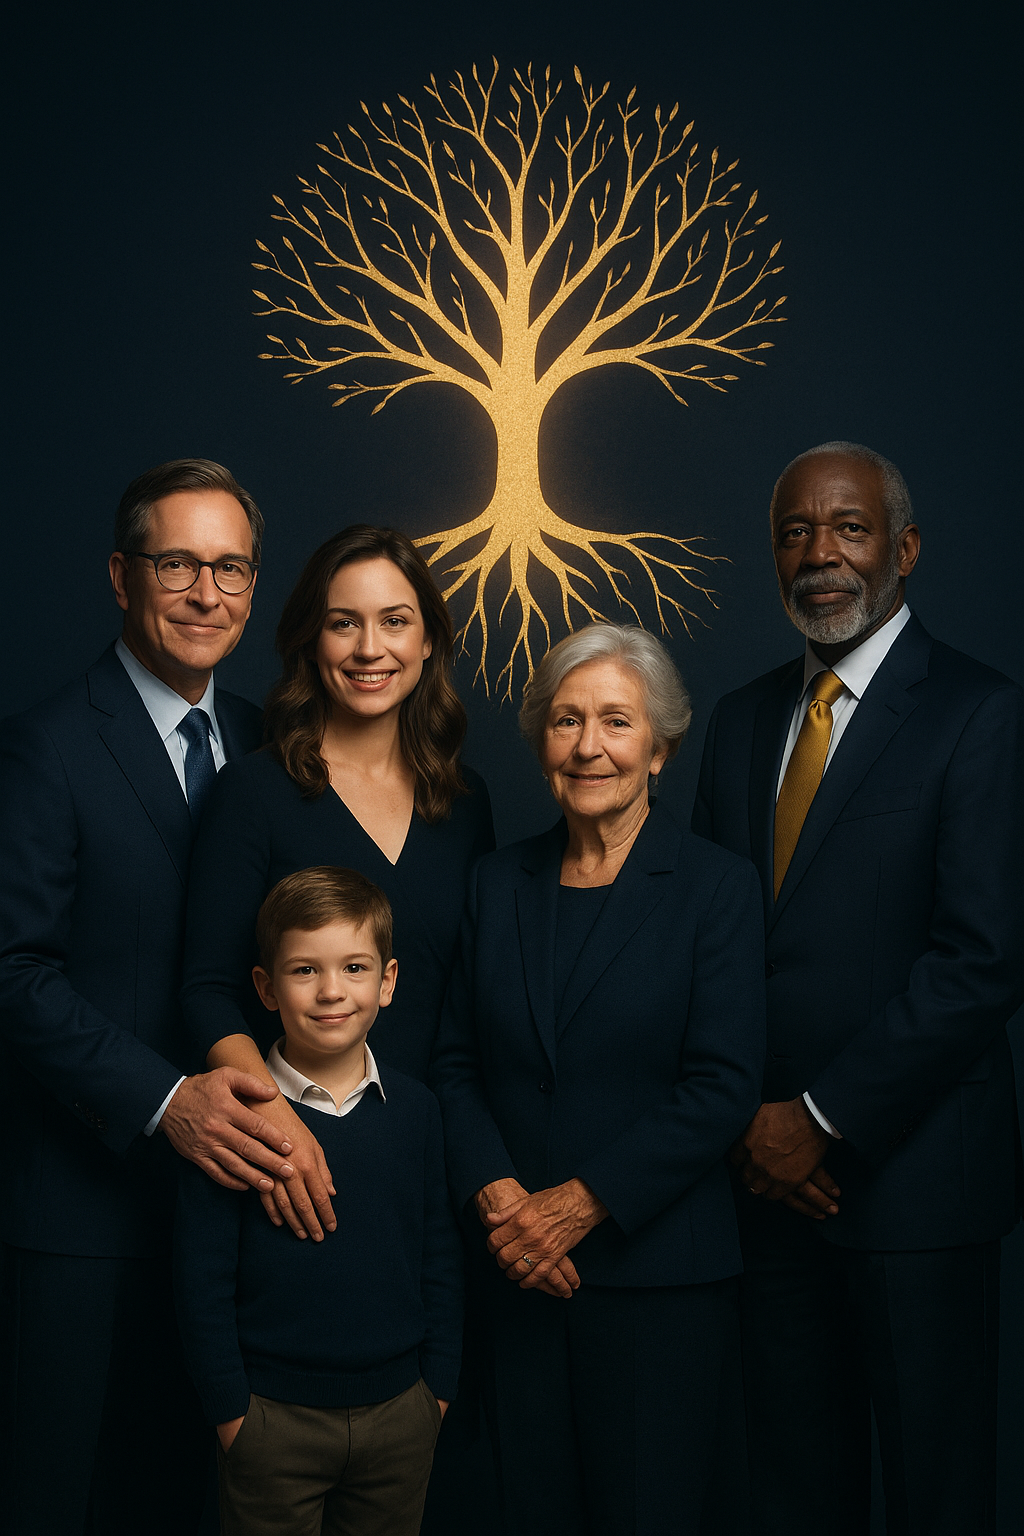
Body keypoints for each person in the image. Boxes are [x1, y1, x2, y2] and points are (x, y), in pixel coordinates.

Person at [692, 441, 1024, 1535]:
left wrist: (822, 1122)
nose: (818, 554)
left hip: (915, 1186)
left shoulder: (977, 714)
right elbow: (710, 943)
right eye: (794, 531)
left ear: (904, 550)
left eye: (847, 527)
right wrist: (751, 1120)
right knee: (789, 1494)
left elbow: (981, 961)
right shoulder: (738, 723)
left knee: (935, 1494)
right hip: (763, 1188)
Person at [0, 459, 303, 1536]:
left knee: (203, 1505)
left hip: (231, 1220)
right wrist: (167, 1101)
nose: (204, 593)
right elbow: (14, 971)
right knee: (66, 1497)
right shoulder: (47, 746)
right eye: (177, 563)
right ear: (122, 575)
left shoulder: (275, 742)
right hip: (87, 1210)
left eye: (229, 568)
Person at [432, 622, 766, 1535]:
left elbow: (722, 1082)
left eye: (616, 723)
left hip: (657, 1285)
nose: (589, 747)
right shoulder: (496, 883)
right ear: (540, 741)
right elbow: (454, 1060)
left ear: (659, 748)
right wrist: (501, 1202)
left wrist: (579, 1204)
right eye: (566, 721)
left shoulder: (715, 887)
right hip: (515, 1281)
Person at [181, 524, 493, 1242]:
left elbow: (466, 1006)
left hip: (428, 1157)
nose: (368, 649)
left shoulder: (467, 803)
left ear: (427, 642)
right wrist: (277, 1123)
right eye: (342, 622)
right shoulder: (253, 792)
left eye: (394, 621)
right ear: (309, 642)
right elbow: (205, 988)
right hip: (287, 1158)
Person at [175, 865, 462, 1536]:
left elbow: (441, 1259)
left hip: (402, 1413)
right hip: (271, 1420)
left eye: (355, 967)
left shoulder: (418, 1111)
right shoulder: (233, 1119)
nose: (332, 991)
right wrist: (233, 1417)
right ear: (265, 988)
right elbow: (200, 1279)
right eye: (305, 971)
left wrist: (436, 1392)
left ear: (388, 981)